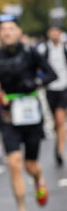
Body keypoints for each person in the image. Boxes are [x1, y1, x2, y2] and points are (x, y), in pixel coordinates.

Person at [0, 14, 57, 211]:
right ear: (0, 33)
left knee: (30, 166)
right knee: (14, 163)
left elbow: (51, 74)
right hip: (9, 116)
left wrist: (35, 82)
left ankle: (38, 179)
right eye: (3, 29)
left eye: (11, 28)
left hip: (31, 114)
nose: (7, 32)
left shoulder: (30, 52)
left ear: (18, 31)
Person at [37, 25, 67, 166]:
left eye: (57, 32)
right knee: (55, 122)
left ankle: (59, 149)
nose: (55, 34)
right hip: (50, 88)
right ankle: (58, 140)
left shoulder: (65, 48)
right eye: (52, 32)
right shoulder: (43, 49)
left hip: (64, 87)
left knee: (60, 119)